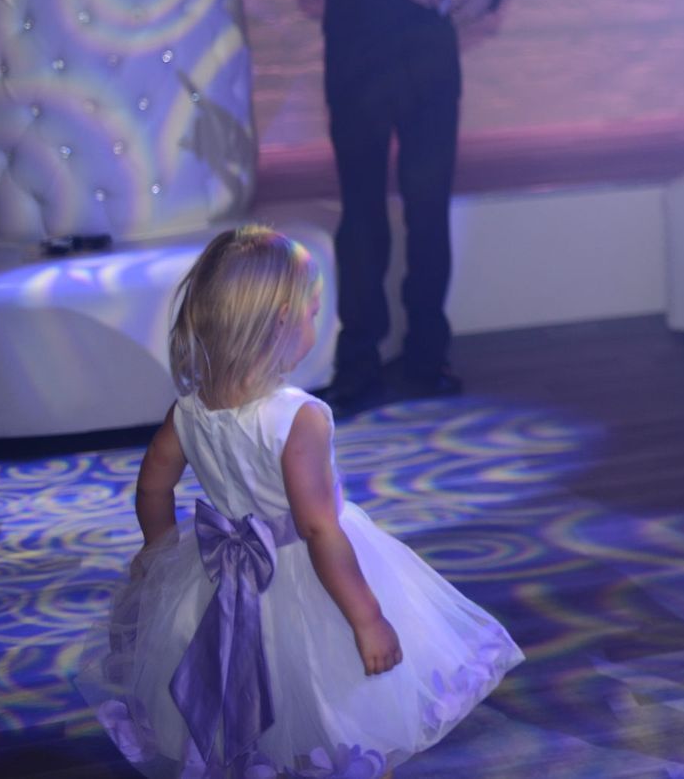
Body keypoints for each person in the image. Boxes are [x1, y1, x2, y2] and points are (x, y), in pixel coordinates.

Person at [76, 226, 522, 778]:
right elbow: (317, 529)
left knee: (242, 692)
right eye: (313, 313)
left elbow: (152, 486)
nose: (320, 323)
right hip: (309, 578)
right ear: (281, 322)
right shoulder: (296, 417)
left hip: (217, 573)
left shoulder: (188, 410)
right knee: (335, 702)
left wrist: (160, 552)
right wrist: (368, 617)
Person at [296, 0, 523, 413]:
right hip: (359, 64)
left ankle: (428, 354)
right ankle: (360, 362)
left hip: (429, 65)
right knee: (363, 214)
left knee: (427, 213)